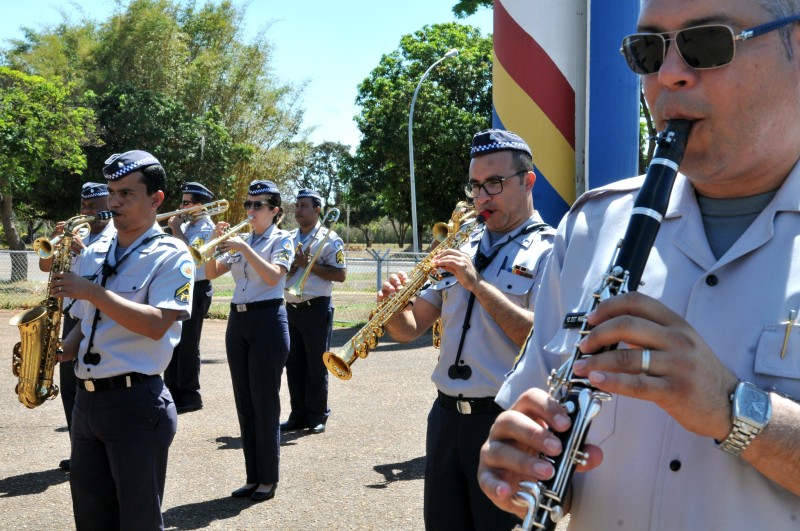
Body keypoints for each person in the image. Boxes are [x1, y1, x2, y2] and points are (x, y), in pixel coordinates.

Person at [478, 1, 800, 529]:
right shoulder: (591, 226)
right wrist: (520, 460)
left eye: (707, 43)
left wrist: (732, 408)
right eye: (648, 51)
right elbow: (534, 416)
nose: (668, 75)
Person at [378, 129, 555, 530]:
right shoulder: (463, 247)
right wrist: (391, 307)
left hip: (507, 421)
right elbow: (410, 328)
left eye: (494, 183)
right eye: (475, 186)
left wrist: (478, 284)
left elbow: (541, 340)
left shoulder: (551, 250)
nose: (482, 197)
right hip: (445, 419)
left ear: (528, 181)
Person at [51, 150, 193, 530]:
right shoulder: (97, 251)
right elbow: (88, 321)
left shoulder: (171, 254)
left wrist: (92, 292)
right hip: (87, 403)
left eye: (126, 193)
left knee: (138, 521)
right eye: (112, 192)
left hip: (136, 404)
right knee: (92, 517)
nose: (114, 202)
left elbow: (158, 324)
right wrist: (62, 349)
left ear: (155, 199)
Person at [204, 180, 294, 503]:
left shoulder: (283, 238)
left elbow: (274, 276)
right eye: (248, 204)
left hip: (268, 320)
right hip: (238, 321)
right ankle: (252, 476)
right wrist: (215, 243)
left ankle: (268, 478)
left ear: (275, 212)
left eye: (258, 205)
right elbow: (211, 272)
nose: (251, 211)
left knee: (264, 403)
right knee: (245, 403)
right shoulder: (243, 240)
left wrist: (244, 249)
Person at [38, 182, 116, 471]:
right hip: (70, 316)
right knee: (70, 388)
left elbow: (104, 276)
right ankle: (79, 450)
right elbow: (47, 267)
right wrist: (56, 242)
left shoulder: (115, 237)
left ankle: (98, 454)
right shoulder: (78, 233)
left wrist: (82, 253)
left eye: (93, 206)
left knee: (91, 389)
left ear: (109, 204)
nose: (87, 211)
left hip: (96, 319)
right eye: (84, 206)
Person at [281, 188, 347, 435]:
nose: (298, 210)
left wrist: (308, 264)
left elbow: (340, 274)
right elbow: (284, 272)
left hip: (316, 308)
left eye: (303, 206)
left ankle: (318, 415)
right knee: (293, 364)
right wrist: (291, 267)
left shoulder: (330, 239)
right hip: (291, 306)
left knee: (316, 365)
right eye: (297, 206)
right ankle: (297, 415)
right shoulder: (288, 237)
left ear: (317, 209)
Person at [164, 181, 216, 413]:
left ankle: (190, 394)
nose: (180, 207)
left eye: (186, 203)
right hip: (181, 288)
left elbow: (194, 260)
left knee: (188, 344)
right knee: (175, 341)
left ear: (199, 205)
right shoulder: (188, 227)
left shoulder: (206, 229)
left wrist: (175, 229)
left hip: (197, 288)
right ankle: (172, 389)